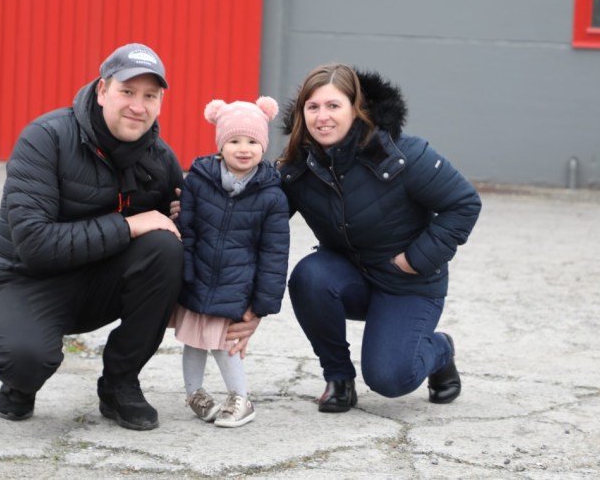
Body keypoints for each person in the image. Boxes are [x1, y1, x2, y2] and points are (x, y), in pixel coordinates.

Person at [0, 43, 185, 431]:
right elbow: (34, 244)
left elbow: (182, 243)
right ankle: (20, 383)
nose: (138, 106)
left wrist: (240, 310)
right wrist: (127, 225)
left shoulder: (160, 160)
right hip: (26, 280)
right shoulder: (46, 138)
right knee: (25, 360)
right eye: (127, 91)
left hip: (97, 282)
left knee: (166, 246)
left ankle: (120, 385)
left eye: (150, 96)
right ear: (102, 90)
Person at [273, 62, 481, 413]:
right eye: (313, 107)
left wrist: (416, 259)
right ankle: (338, 378)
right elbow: (259, 213)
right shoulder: (298, 166)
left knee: (390, 379)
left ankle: (440, 350)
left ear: (355, 109)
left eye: (333, 105)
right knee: (309, 275)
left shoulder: (403, 153)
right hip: (349, 279)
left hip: (407, 283)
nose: (322, 117)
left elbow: (463, 203)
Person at [168, 97, 290, 428]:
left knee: (225, 342)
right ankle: (195, 393)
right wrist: (184, 273)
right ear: (221, 145)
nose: (244, 149)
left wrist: (262, 303)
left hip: (236, 284)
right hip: (198, 276)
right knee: (193, 339)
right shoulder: (198, 180)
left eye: (252, 141)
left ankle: (241, 397)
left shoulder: (272, 195)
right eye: (234, 140)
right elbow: (187, 229)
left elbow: (275, 254)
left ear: (263, 145)